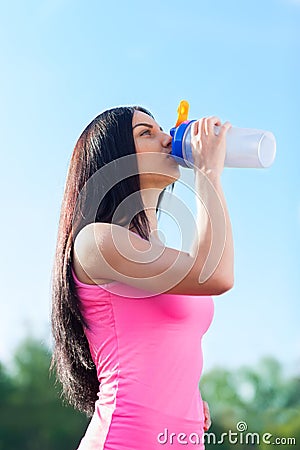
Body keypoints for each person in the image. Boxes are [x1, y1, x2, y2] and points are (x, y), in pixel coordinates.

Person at [51, 105, 234, 449]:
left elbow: (164, 343)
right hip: (124, 439)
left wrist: (183, 397)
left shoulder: (155, 250)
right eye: (146, 133)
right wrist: (208, 173)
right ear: (114, 158)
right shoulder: (96, 240)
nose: (167, 139)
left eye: (162, 129)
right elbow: (217, 275)